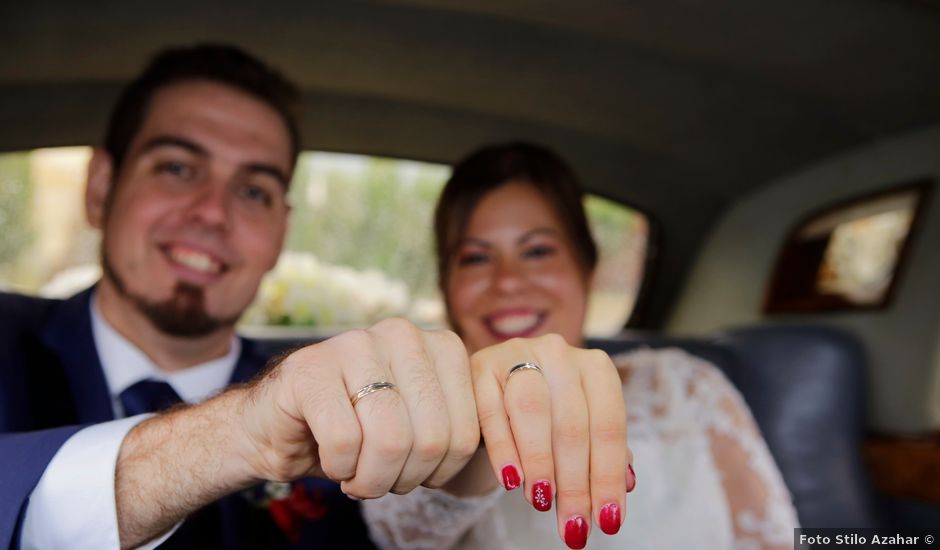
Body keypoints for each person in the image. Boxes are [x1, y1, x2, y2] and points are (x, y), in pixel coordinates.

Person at [0, 47, 630, 550]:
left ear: (280, 231)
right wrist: (231, 435)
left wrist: (480, 434)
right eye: (178, 168)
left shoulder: (346, 392)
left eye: (254, 191)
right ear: (101, 188)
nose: (213, 213)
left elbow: (400, 525)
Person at [362, 142, 798, 549]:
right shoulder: (418, 408)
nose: (508, 280)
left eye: (537, 251)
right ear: (447, 287)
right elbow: (406, 538)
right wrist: (477, 427)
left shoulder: (684, 382)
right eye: (476, 257)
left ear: (587, 265)